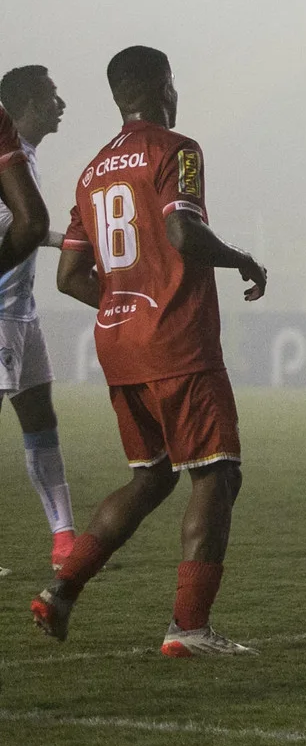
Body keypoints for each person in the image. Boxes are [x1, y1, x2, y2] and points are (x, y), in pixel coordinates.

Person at [33, 46, 266, 655]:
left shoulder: (90, 172)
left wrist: (126, 304)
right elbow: (182, 231)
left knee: (151, 476)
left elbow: (68, 276)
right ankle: (188, 628)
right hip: (177, 342)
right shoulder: (176, 150)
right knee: (217, 474)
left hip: (119, 343)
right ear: (165, 87)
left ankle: (61, 591)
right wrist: (241, 258)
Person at [0, 66, 73, 570]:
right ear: (24, 104)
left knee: (41, 421)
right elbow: (18, 225)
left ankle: (65, 540)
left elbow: (27, 226)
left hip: (22, 315)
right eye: (51, 95)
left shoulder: (25, 159)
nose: (60, 103)